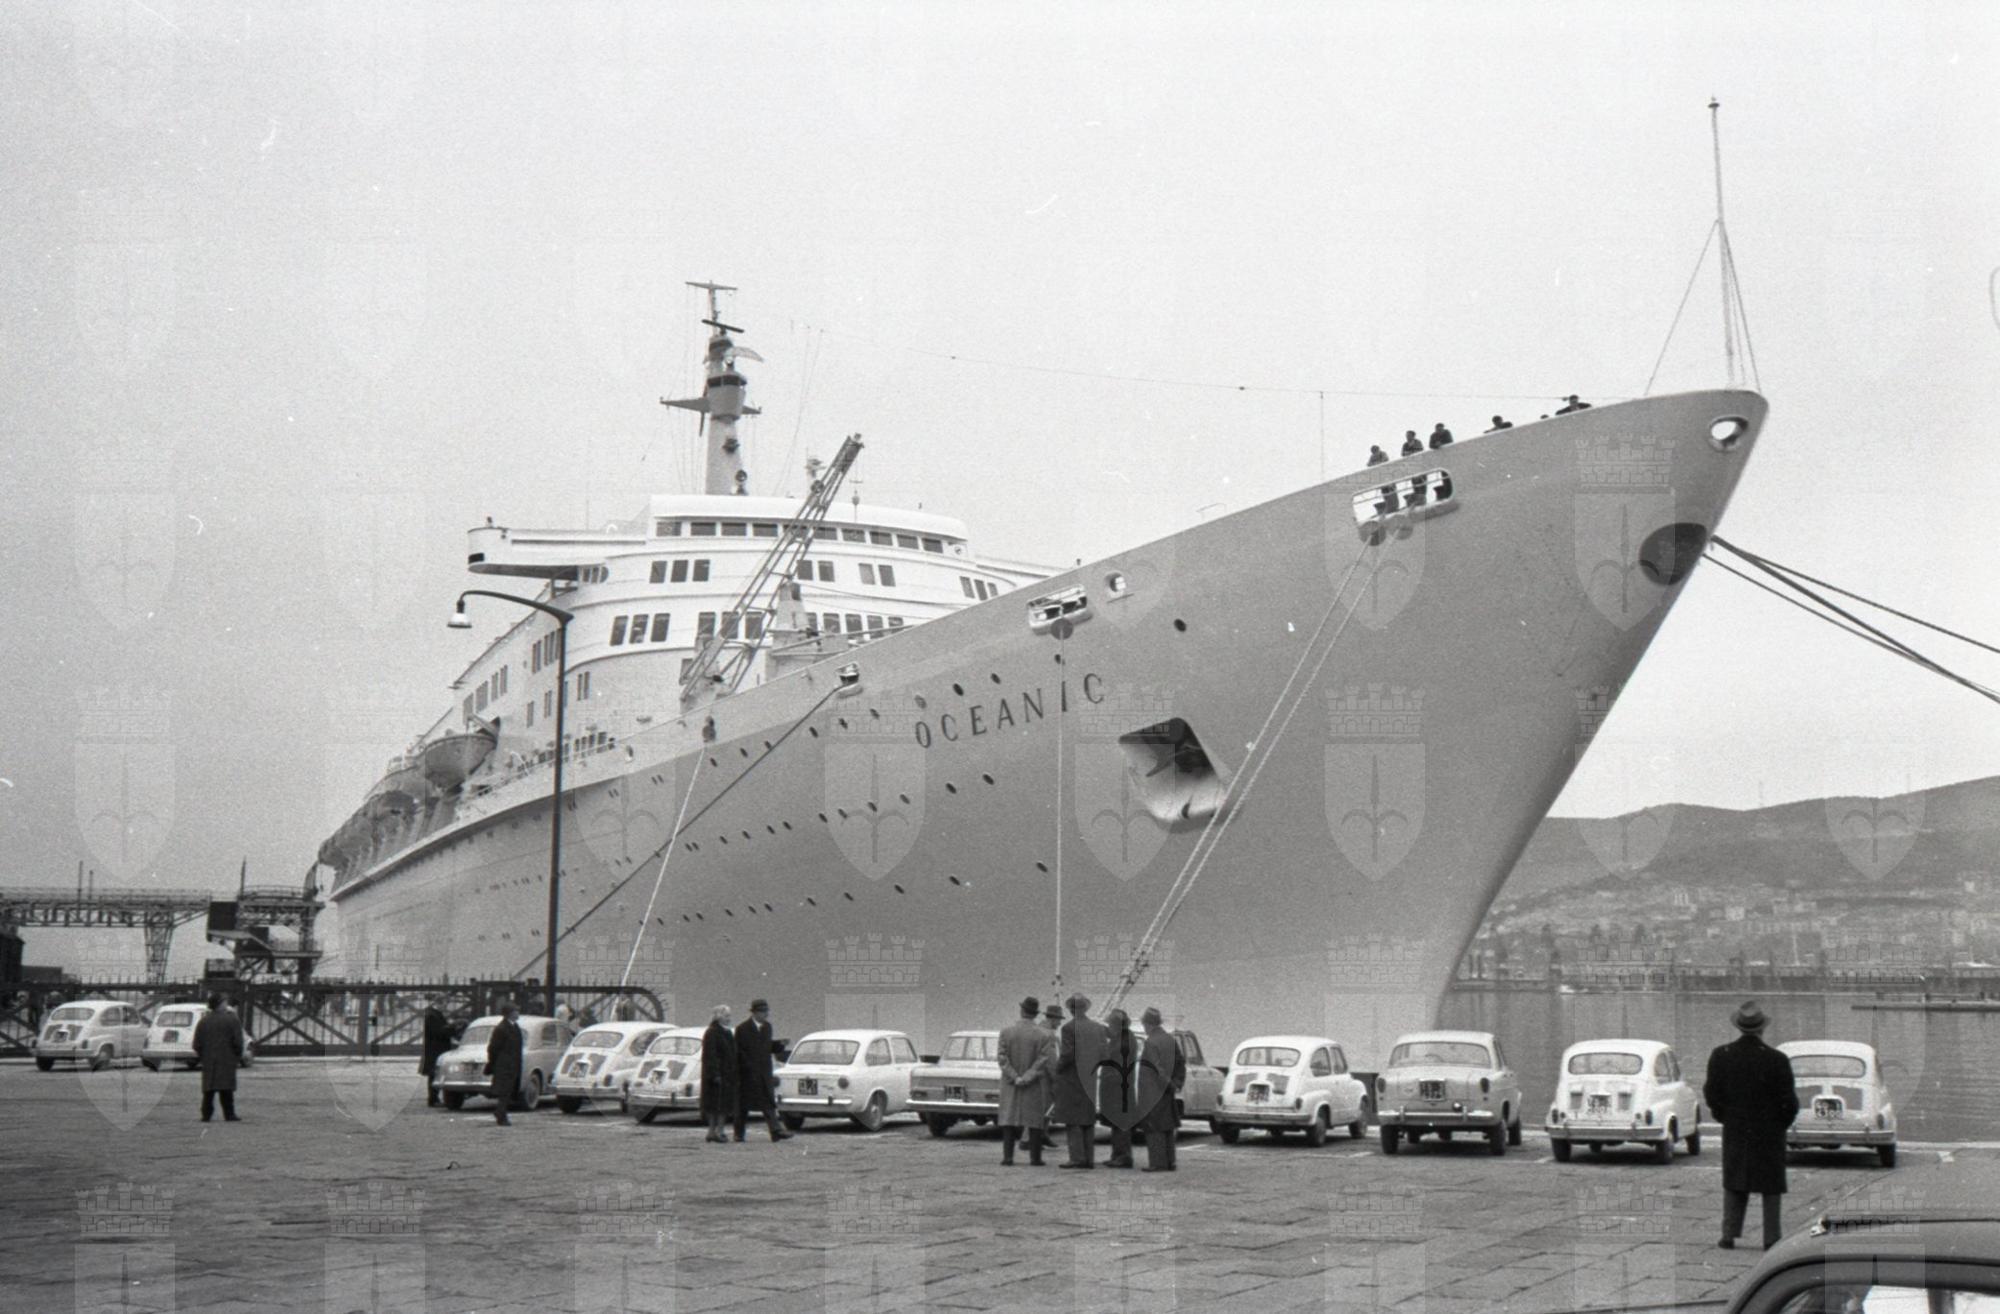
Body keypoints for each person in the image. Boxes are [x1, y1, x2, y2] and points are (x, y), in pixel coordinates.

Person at [1702, 1001, 1799, 1250]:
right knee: (1771, 1184)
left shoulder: (1721, 1055)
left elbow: (1711, 1093)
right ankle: (1771, 1237)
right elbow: (1789, 1101)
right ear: (1762, 1028)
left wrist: (1724, 1116)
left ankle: (1729, 1234)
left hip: (1736, 1126)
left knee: (1735, 1178)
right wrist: (1780, 1124)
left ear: (1739, 1026)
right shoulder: (1777, 1059)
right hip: (1769, 1129)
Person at [1052, 993, 1108, 1169]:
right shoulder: (1099, 1028)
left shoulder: (1069, 1028)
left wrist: (1057, 1069)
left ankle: (1077, 1158)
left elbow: (1068, 1054)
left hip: (1072, 1077)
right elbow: (1104, 1055)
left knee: (1073, 1119)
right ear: (1086, 1008)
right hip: (1090, 1077)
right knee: (1087, 1118)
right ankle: (1088, 1158)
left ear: (1071, 1010)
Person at [997, 996, 1052, 1166]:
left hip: (1010, 1083)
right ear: (1035, 1014)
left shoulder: (1006, 1032)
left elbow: (1002, 1058)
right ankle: (1035, 1158)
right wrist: (1027, 1077)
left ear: (1022, 1011)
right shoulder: (1044, 1035)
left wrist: (1015, 1077)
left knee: (1008, 1119)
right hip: (1033, 1083)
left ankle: (1008, 1157)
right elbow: (1042, 1060)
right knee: (1034, 1121)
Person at [733, 999, 791, 1142]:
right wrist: (746, 1066)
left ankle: (775, 1131)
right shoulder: (742, 1029)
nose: (766, 1014)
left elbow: (767, 1047)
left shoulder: (767, 1027)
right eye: (763, 1012)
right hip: (747, 1074)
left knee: (768, 1102)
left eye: (766, 1011)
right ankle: (738, 1133)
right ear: (755, 1013)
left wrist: (779, 1045)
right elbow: (738, 1051)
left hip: (764, 1072)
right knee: (743, 1105)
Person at [1137, 1007, 1186, 1172]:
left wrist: (1167, 1083)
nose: (1144, 1028)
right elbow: (1180, 1063)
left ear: (1148, 1024)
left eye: (1144, 1024)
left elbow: (1156, 1068)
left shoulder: (1151, 1042)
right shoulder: (1170, 1040)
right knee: (1167, 1126)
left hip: (1153, 1091)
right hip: (1167, 1091)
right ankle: (1170, 1161)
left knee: (1154, 1128)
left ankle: (1157, 1163)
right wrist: (1176, 1083)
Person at [190, 993, 246, 1123]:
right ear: (220, 1004)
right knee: (226, 1089)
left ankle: (206, 1114)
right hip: (227, 1059)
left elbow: (196, 1044)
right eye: (224, 1002)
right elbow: (238, 1042)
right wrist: (237, 1056)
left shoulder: (204, 1021)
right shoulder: (232, 1020)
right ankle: (229, 1114)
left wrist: (203, 1056)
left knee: (208, 1090)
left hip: (209, 1059)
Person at [1096, 1008, 1138, 1168]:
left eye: (1111, 1024)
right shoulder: (1122, 1037)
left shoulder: (1124, 1041)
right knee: (1117, 1121)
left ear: (1117, 1025)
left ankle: (1123, 1156)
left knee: (1121, 1122)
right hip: (1117, 1087)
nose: (1109, 1027)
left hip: (1119, 1088)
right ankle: (1117, 1155)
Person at [700, 1005, 738, 1144]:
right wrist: (714, 1074)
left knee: (724, 1105)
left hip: (727, 1073)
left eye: (729, 1016)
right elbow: (710, 1055)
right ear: (719, 1017)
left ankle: (718, 1131)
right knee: (715, 1105)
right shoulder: (712, 1032)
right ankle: (714, 1131)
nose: (729, 1019)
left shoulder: (727, 1033)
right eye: (726, 1016)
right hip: (716, 1074)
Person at [485, 1002, 524, 1126]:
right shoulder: (501, 1029)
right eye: (516, 1011)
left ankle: (500, 1112)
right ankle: (501, 1115)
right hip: (503, 1064)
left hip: (513, 1064)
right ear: (509, 1014)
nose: (518, 1013)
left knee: (508, 1091)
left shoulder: (515, 1027)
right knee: (504, 1091)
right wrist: (493, 1063)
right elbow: (493, 1048)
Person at [419, 1003, 459, 1108]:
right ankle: (433, 1099)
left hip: (436, 1049)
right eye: (444, 1004)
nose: (445, 1007)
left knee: (435, 1074)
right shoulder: (432, 1016)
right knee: (434, 1074)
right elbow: (439, 1032)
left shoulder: (434, 1014)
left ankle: (434, 1098)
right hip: (435, 1049)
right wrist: (452, 1027)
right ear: (439, 1004)